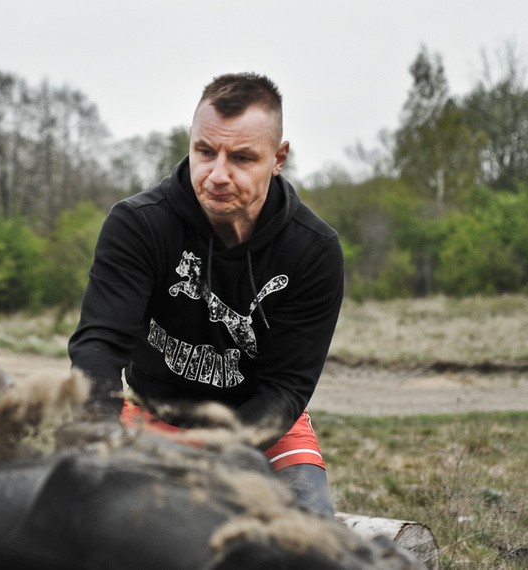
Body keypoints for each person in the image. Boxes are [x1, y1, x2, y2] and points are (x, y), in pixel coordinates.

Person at [68, 72, 344, 516]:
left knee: (307, 537)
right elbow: (98, 346)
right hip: (151, 413)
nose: (217, 175)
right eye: (204, 151)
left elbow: (287, 389)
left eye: (241, 158)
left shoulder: (313, 250)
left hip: (263, 427)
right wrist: (99, 437)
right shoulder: (138, 225)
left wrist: (217, 454)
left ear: (278, 158)